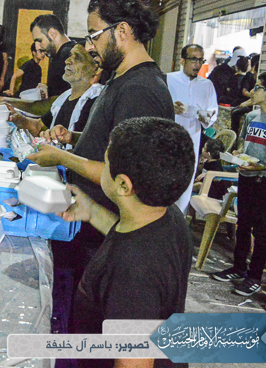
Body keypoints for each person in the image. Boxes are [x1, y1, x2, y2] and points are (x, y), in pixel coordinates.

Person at [26, 0, 174, 336]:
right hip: (93, 226)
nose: (90, 46)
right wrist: (74, 138)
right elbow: (115, 143)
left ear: (121, 31)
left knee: (96, 333)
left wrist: (61, 157)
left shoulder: (140, 90)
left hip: (110, 235)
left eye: (94, 35)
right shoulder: (120, 80)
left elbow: (124, 176)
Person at [58, 117, 193, 368]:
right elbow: (133, 238)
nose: (103, 167)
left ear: (123, 185)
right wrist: (92, 212)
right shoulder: (167, 215)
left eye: (106, 163)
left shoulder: (132, 274)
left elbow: (134, 361)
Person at [211, 71, 266, 297]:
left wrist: (262, 167)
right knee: (242, 224)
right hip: (245, 177)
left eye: (258, 88)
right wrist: (236, 155)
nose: (252, 91)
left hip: (265, 180)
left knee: (261, 230)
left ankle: (254, 277)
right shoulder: (251, 116)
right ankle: (238, 267)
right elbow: (244, 144)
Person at [8, 44, 102, 150]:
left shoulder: (97, 101)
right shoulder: (64, 97)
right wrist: (17, 118)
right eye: (70, 56)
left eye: (78, 58)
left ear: (96, 70)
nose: (67, 61)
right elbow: (38, 126)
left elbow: (94, 145)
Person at [166, 43, 218, 213]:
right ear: (182, 60)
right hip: (166, 140)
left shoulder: (207, 85)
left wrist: (191, 111)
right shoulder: (168, 80)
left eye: (200, 60)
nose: (197, 64)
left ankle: (180, 222)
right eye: (193, 60)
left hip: (192, 142)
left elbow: (211, 117)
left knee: (185, 185)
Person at [30, 14, 76, 99]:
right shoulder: (67, 53)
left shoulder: (66, 56)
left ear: (52, 33)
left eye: (39, 40)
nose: (37, 47)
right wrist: (47, 90)